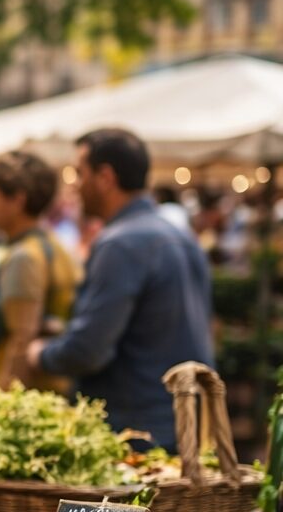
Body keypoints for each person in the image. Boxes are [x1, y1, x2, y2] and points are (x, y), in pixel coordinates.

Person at [29, 129, 214, 450]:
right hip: (180, 422)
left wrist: (40, 355)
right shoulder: (180, 235)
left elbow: (90, 350)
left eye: (79, 173)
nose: (74, 184)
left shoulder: (121, 242)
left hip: (134, 431)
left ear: (105, 176)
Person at [0, 151, 82, 390]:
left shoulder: (25, 257)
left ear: (18, 200)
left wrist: (3, 406)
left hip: (20, 391)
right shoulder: (53, 246)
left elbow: (21, 341)